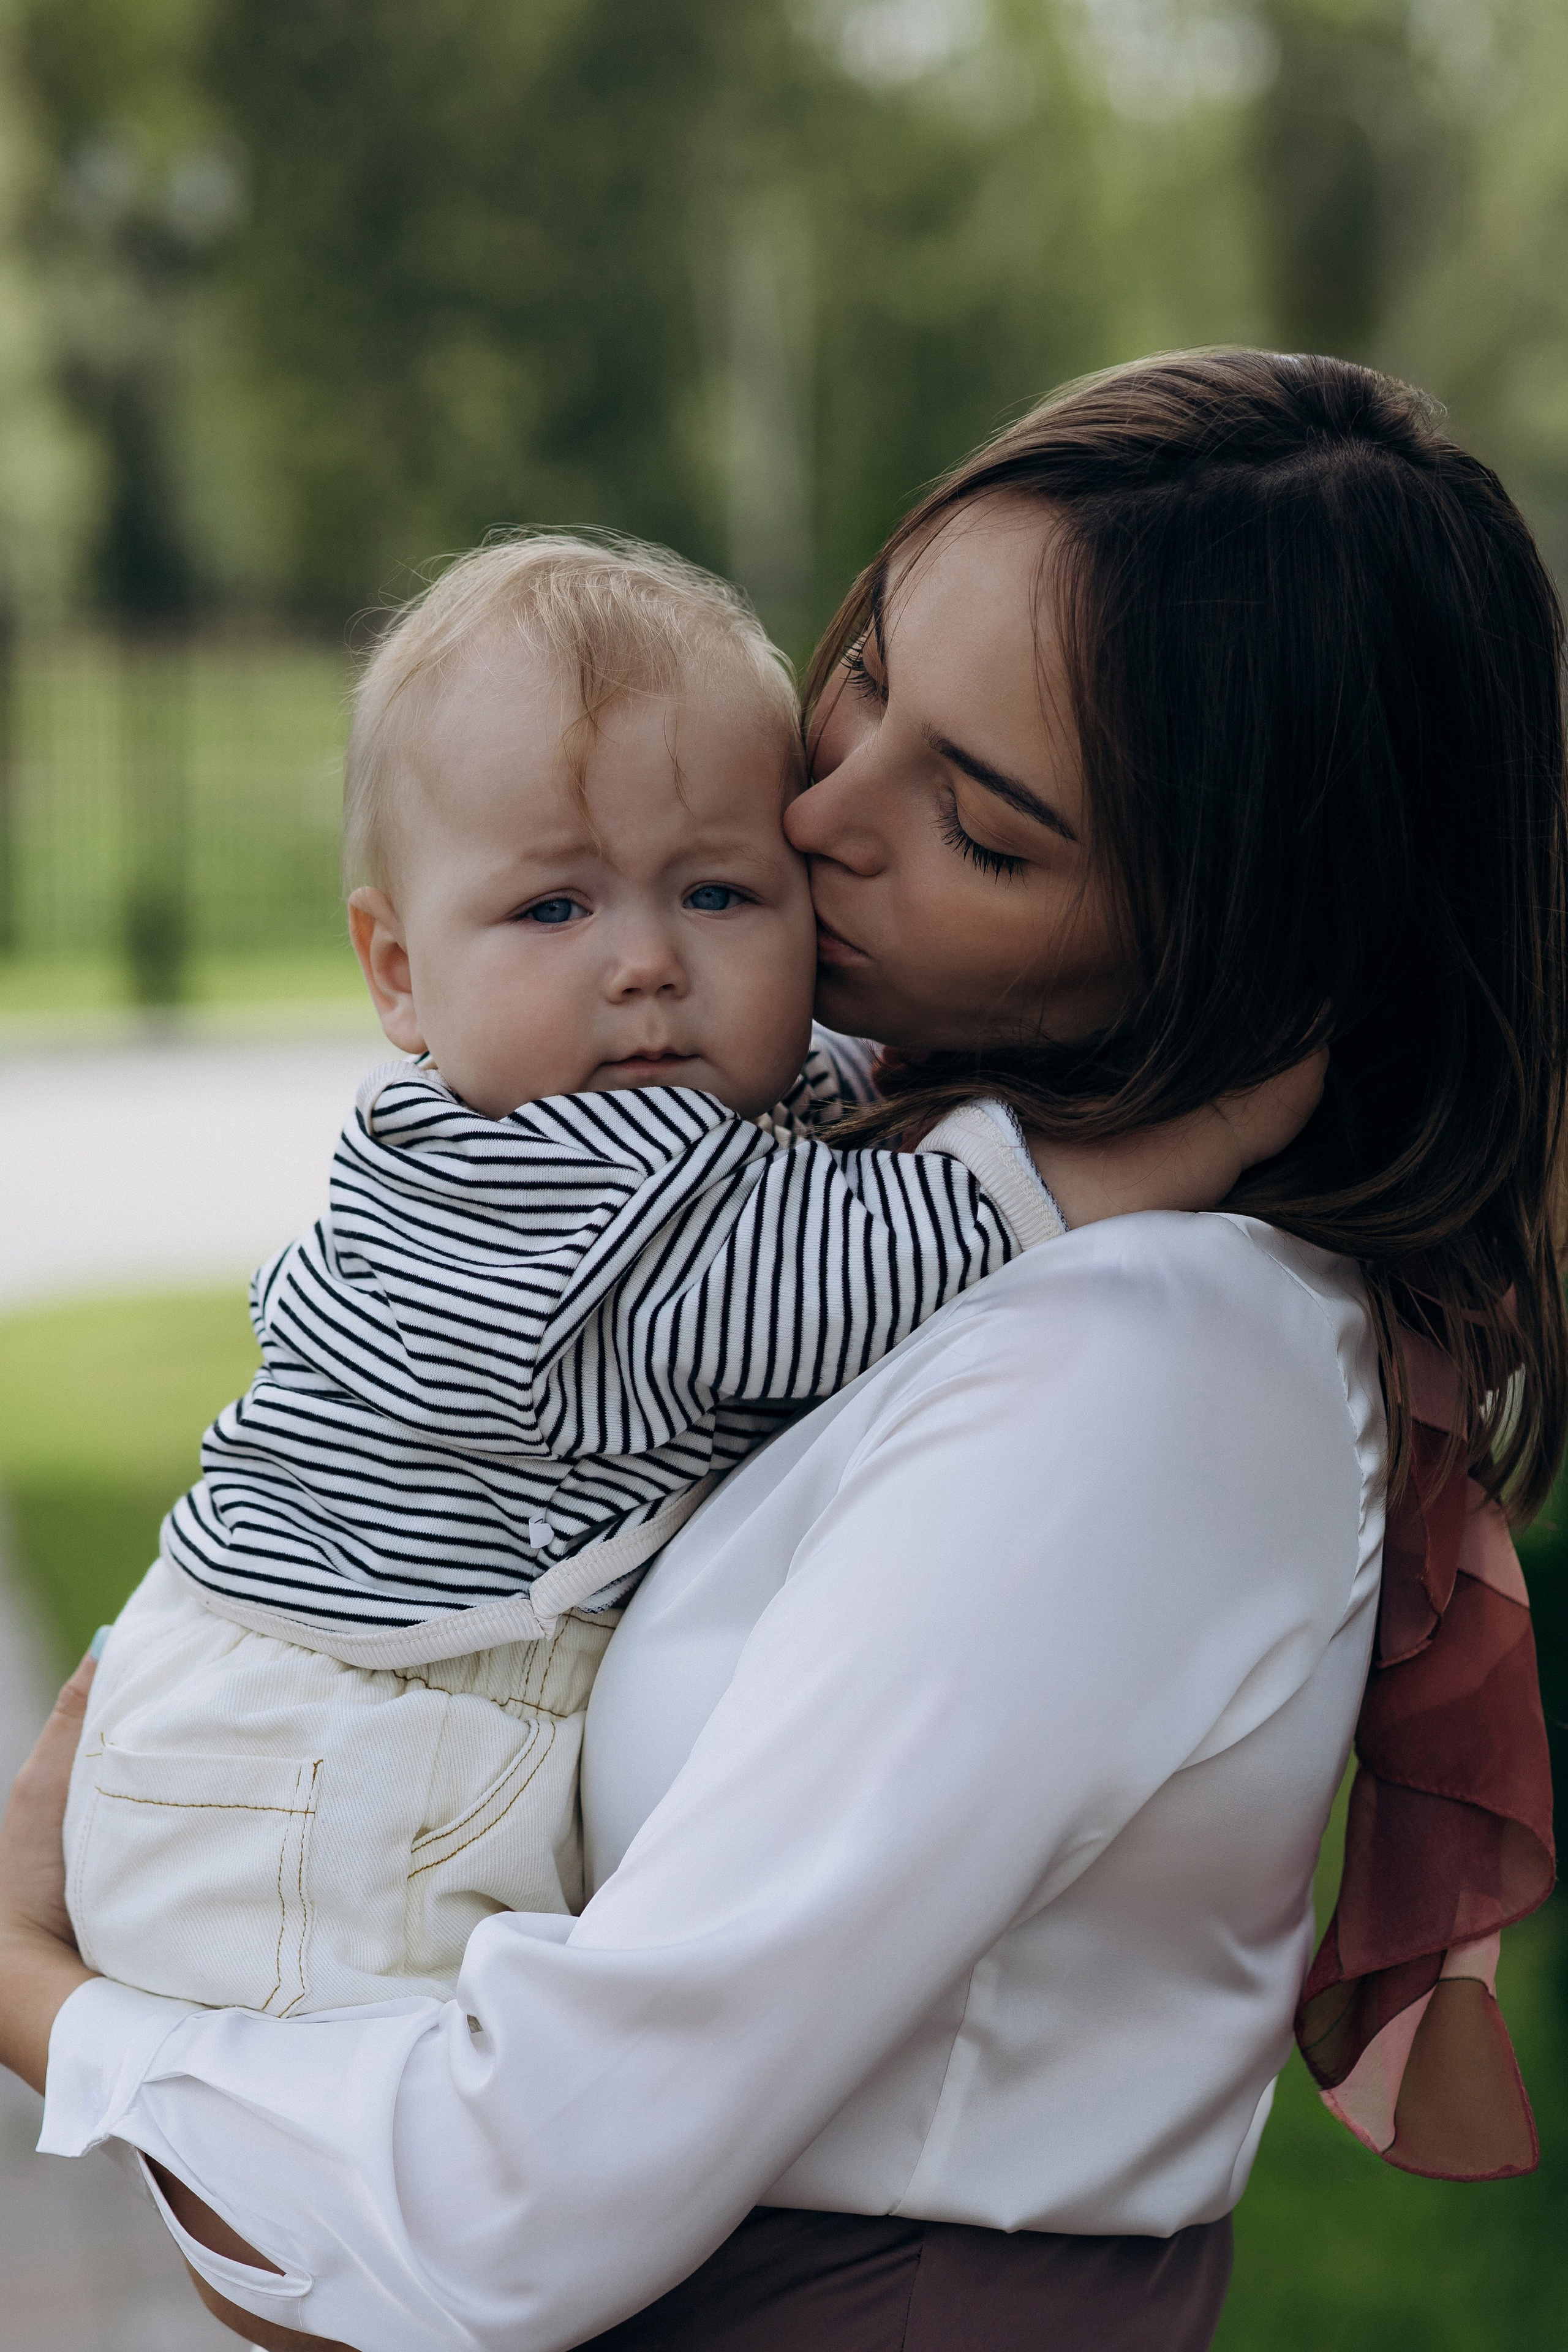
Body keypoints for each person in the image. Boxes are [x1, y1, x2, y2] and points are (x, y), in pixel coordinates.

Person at [2, 349, 1563, 2352]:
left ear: (1237, 951)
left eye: (980, 829)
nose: (815, 812)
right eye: (872, 679)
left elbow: (506, 2209)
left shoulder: (1149, 1363)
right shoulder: (866, 1149)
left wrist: (51, 2001)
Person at [63, 532, 1300, 2026]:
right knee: (387, 2186)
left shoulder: (634, 1105)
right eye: (553, 910)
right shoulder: (580, 1182)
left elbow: (827, 1106)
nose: (645, 962)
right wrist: (1203, 1135)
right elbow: (892, 1251)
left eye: (717, 894)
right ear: (396, 973)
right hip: (333, 1759)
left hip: (355, 1723)